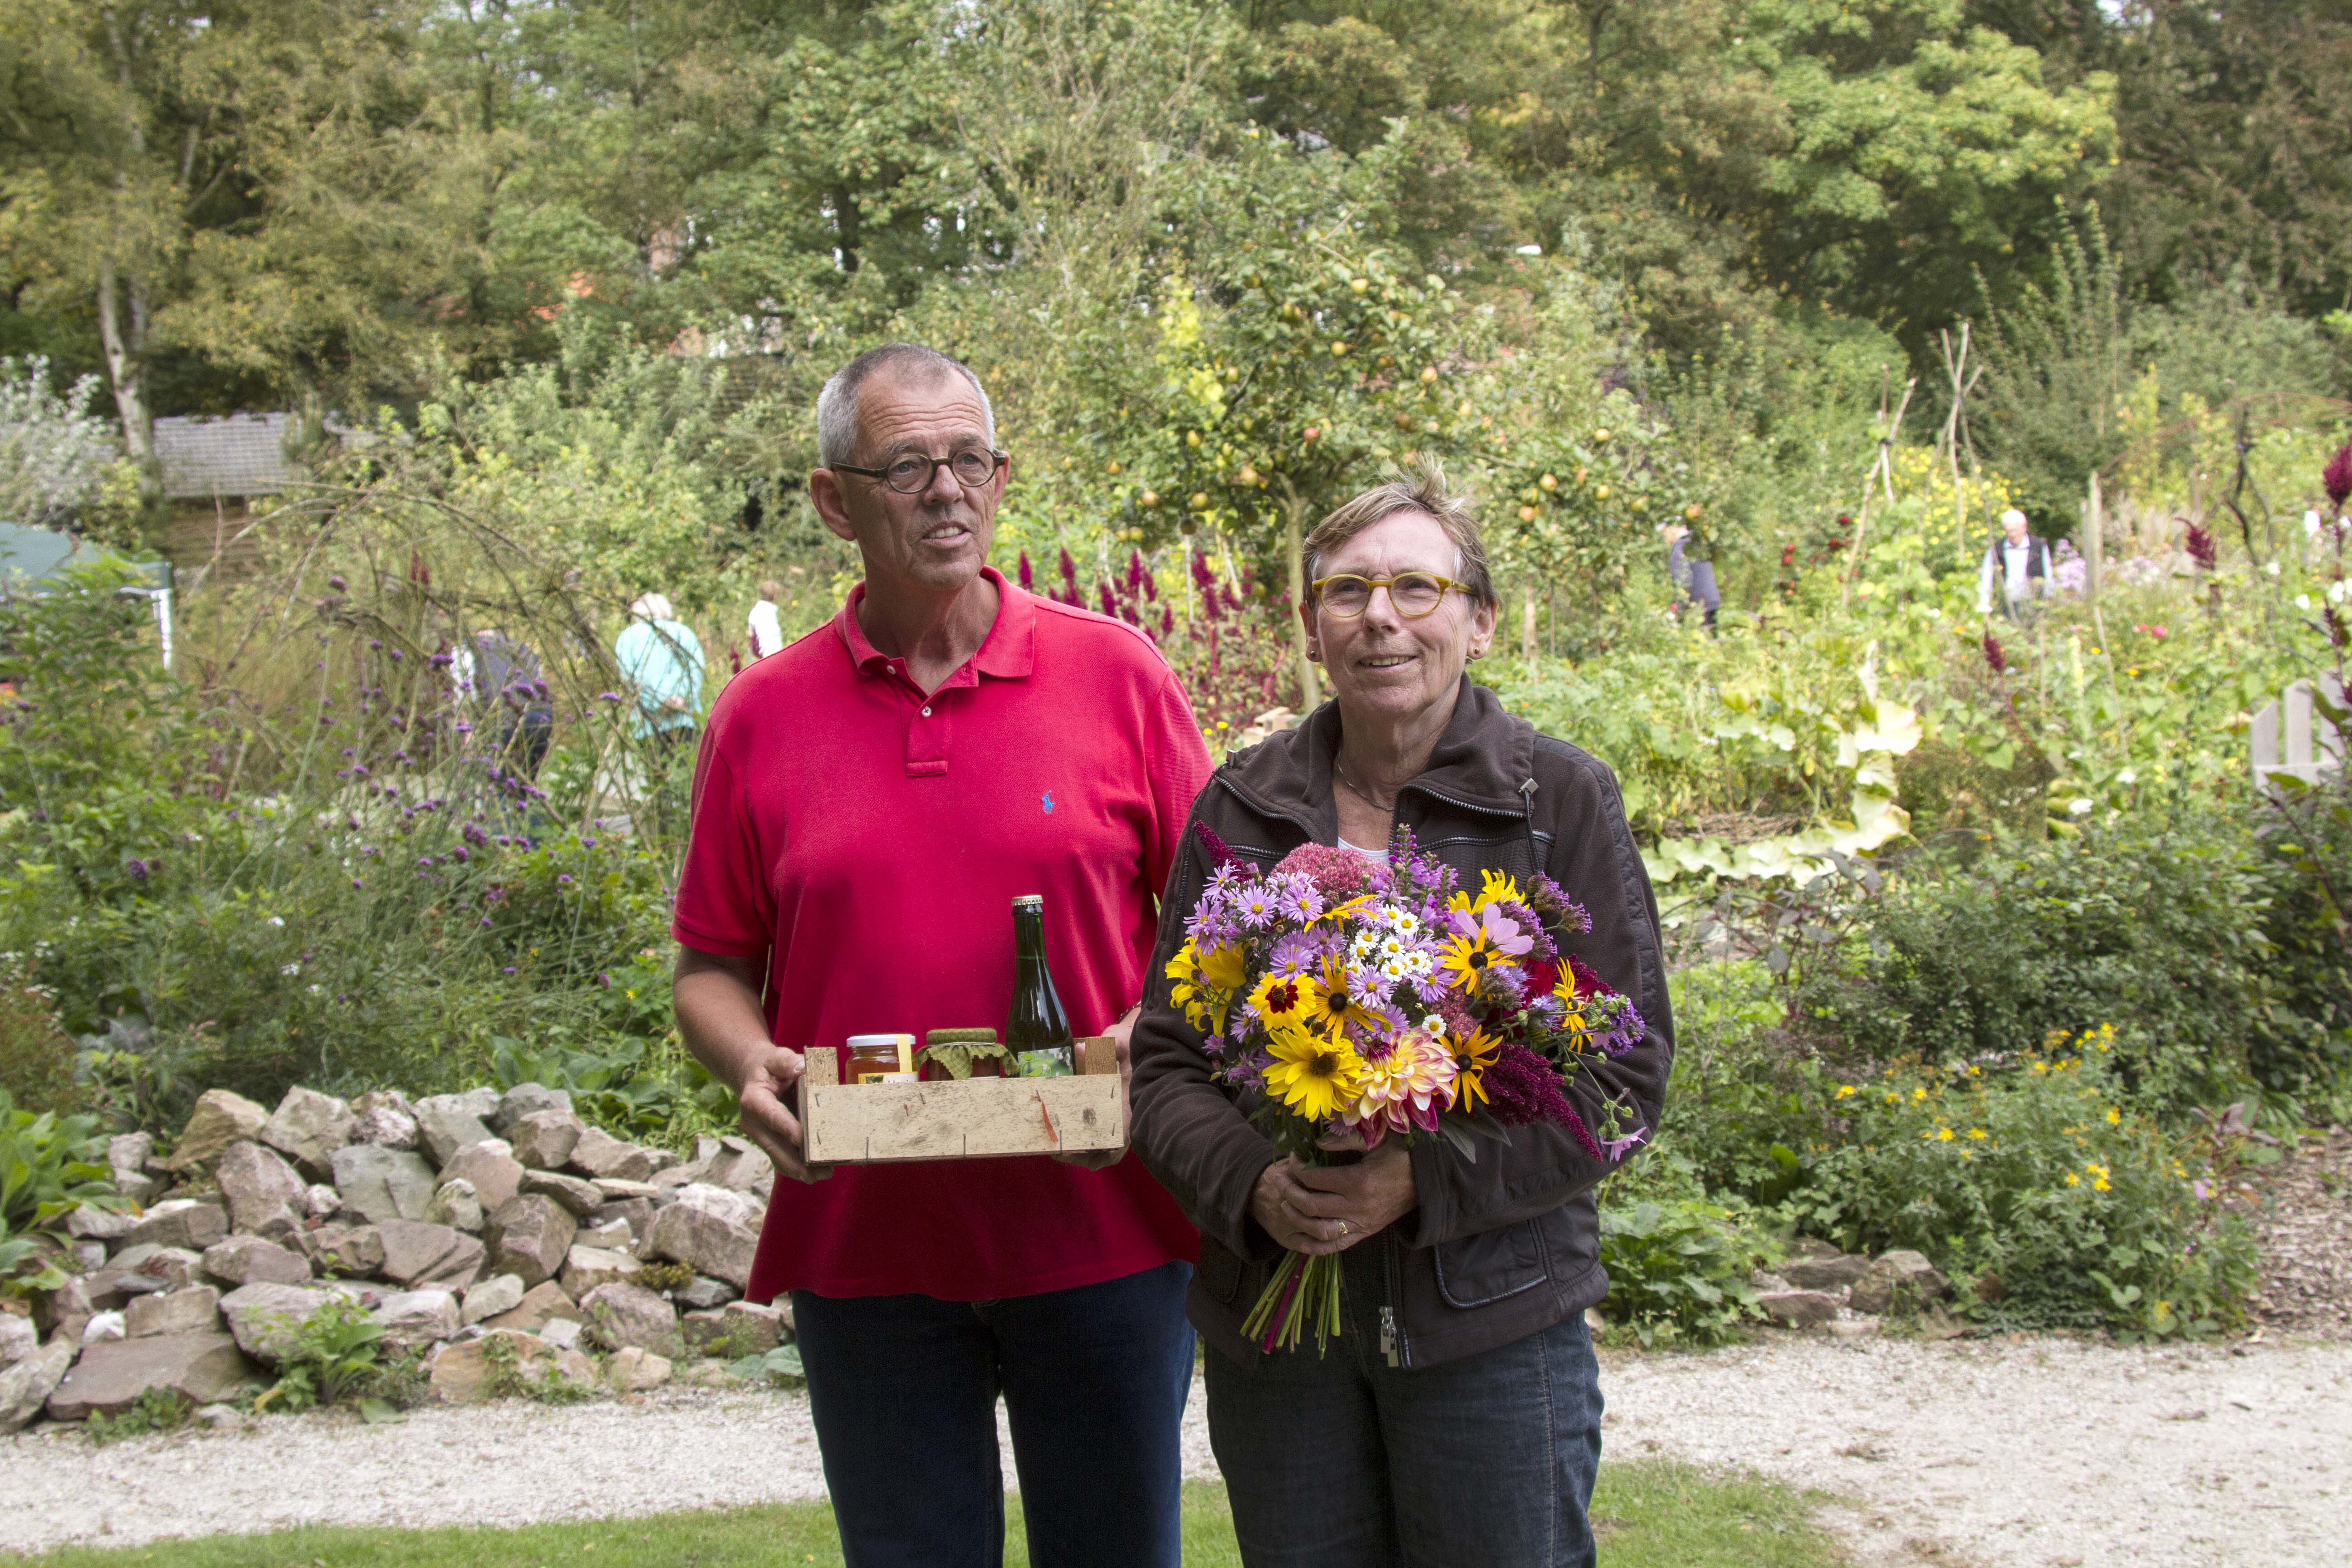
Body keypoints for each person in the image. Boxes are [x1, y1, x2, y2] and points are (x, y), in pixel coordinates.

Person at [667, 343, 1211, 1568]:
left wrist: (1157, 1030)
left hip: (1103, 1232)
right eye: (906, 464)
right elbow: (708, 964)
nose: (947, 491)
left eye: (970, 459)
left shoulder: (1117, 676)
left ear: (1002, 478)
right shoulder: (761, 715)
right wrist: (752, 1061)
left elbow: (1223, 930)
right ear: (834, 500)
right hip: (869, 1245)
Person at [1129, 460, 1673, 1568]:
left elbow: (1621, 1078)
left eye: (1415, 588)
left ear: (1476, 620)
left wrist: (1418, 1180)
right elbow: (1164, 1067)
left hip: (1490, 1321)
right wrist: (1255, 1182)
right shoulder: (1240, 803)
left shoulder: (1555, 800)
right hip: (1276, 1339)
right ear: (1311, 624)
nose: (1379, 617)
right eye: (1346, 590)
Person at [613, 592, 706, 749]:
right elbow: (697, 669)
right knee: (691, 771)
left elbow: (627, 678)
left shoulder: (627, 638)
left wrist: (658, 703)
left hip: (649, 724)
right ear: (665, 611)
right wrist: (680, 699)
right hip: (685, 719)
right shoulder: (683, 633)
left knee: (659, 772)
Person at [1977, 508, 2054, 620]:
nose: (2013, 535)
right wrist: (1985, 603)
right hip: (2005, 605)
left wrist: (2049, 598)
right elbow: (1987, 576)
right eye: (2009, 531)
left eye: (2016, 530)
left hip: (2033, 604)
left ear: (2025, 528)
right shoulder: (1996, 549)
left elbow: (2048, 573)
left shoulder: (2039, 547)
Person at [1661, 516, 1719, 630]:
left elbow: (1684, 581)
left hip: (1699, 605)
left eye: (1664, 532)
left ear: (1671, 530)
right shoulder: (1696, 543)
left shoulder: (1680, 548)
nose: (1664, 537)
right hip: (1712, 601)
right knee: (1712, 642)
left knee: (1699, 643)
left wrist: (1679, 609)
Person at [748, 578, 787, 660]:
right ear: (775, 597)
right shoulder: (770, 614)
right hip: (772, 659)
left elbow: (752, 639)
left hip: (758, 659)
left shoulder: (754, 612)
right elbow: (774, 642)